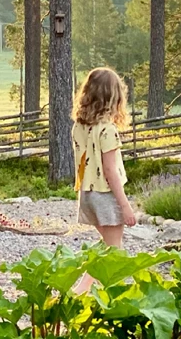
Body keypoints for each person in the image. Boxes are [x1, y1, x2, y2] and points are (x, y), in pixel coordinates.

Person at [70, 67, 136, 294]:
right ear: (113, 97)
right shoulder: (107, 130)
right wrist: (125, 206)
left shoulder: (79, 126)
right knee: (115, 253)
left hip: (87, 194)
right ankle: (112, 297)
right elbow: (110, 171)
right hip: (105, 195)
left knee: (107, 246)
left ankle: (81, 290)